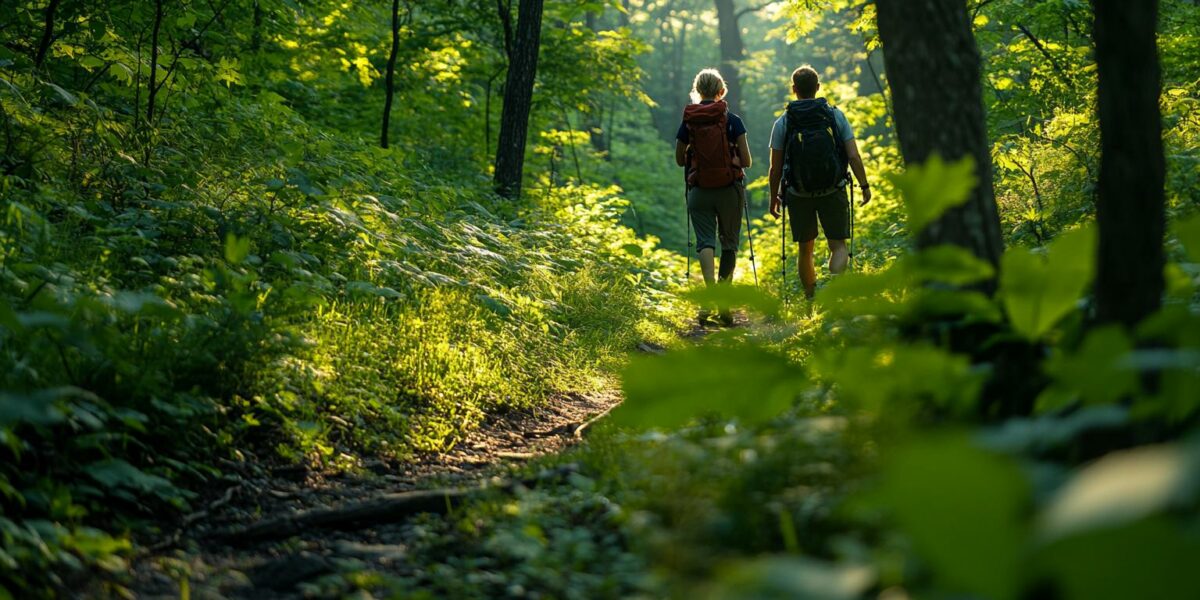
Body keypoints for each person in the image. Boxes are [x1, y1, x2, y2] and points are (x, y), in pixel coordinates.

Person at [768, 66, 871, 300]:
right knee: (839, 246)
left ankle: (811, 302)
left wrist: (773, 197)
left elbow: (775, 168)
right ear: (818, 87)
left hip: (798, 193)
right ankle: (835, 294)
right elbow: (853, 156)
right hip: (833, 189)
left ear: (794, 89)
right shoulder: (835, 115)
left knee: (805, 250)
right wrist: (864, 186)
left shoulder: (784, 122)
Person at [676, 68, 753, 325]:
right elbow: (747, 161)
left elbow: (679, 160)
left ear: (698, 91)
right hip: (730, 189)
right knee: (729, 242)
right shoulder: (734, 120)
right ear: (721, 91)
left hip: (699, 190)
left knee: (705, 241)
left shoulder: (689, 120)